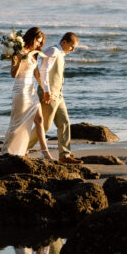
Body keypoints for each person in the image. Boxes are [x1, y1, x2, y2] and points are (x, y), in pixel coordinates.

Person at [1, 26, 55, 160]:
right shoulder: (17, 51)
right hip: (20, 90)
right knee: (18, 122)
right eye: (38, 41)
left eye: (40, 42)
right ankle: (7, 150)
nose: (39, 44)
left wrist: (46, 90)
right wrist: (19, 59)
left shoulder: (33, 53)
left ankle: (45, 152)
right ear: (32, 38)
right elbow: (13, 74)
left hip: (31, 90)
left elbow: (36, 74)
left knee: (39, 120)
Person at [28, 31, 81, 164]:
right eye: (71, 46)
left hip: (58, 95)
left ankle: (65, 155)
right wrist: (46, 91)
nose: (72, 50)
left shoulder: (61, 54)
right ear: (64, 42)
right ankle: (23, 148)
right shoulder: (53, 51)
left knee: (64, 123)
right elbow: (44, 71)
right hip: (49, 94)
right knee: (44, 125)